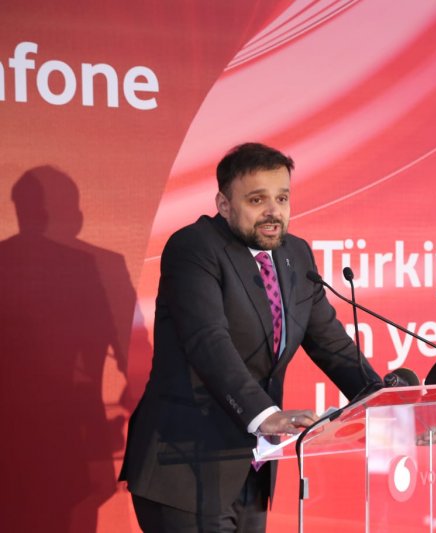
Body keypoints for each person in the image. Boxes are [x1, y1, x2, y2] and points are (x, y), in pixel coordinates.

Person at [120, 142, 381, 532]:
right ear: (224, 205)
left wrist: (385, 405)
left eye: (282, 198)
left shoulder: (296, 255)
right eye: (257, 200)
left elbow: (331, 343)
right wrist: (266, 415)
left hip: (252, 470)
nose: (273, 211)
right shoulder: (194, 248)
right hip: (185, 469)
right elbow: (208, 341)